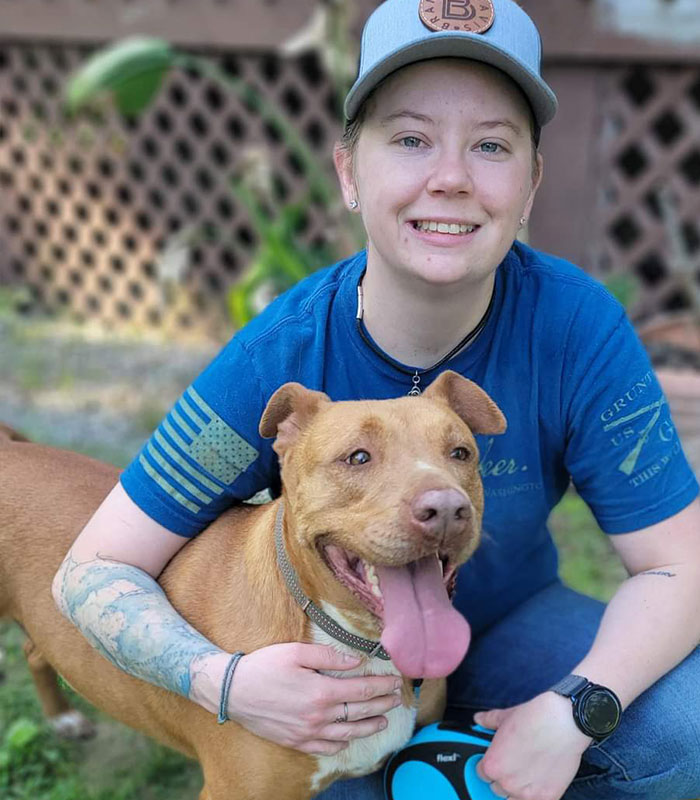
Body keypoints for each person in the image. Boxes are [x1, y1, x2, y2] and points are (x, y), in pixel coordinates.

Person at [53, 0, 700, 798]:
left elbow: (681, 565)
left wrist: (574, 712)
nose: (451, 177)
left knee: (686, 727)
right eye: (411, 139)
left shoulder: (576, 327)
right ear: (349, 173)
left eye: (491, 145)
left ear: (530, 184)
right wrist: (227, 683)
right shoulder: (276, 358)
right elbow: (92, 569)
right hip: (321, 654)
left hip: (510, 624)